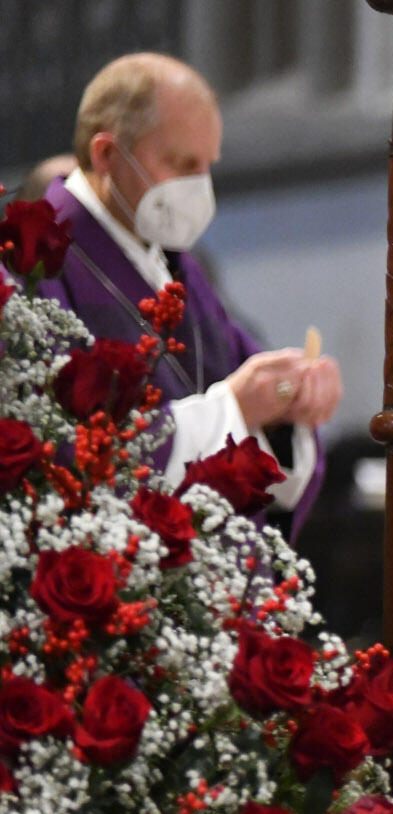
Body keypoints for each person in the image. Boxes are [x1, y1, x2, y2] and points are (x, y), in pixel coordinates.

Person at [38, 53, 338, 534]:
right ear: (106, 155)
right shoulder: (36, 261)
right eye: (181, 163)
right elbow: (61, 449)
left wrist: (287, 406)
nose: (199, 186)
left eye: (206, 166)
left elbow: (246, 379)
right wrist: (234, 410)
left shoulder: (178, 266)